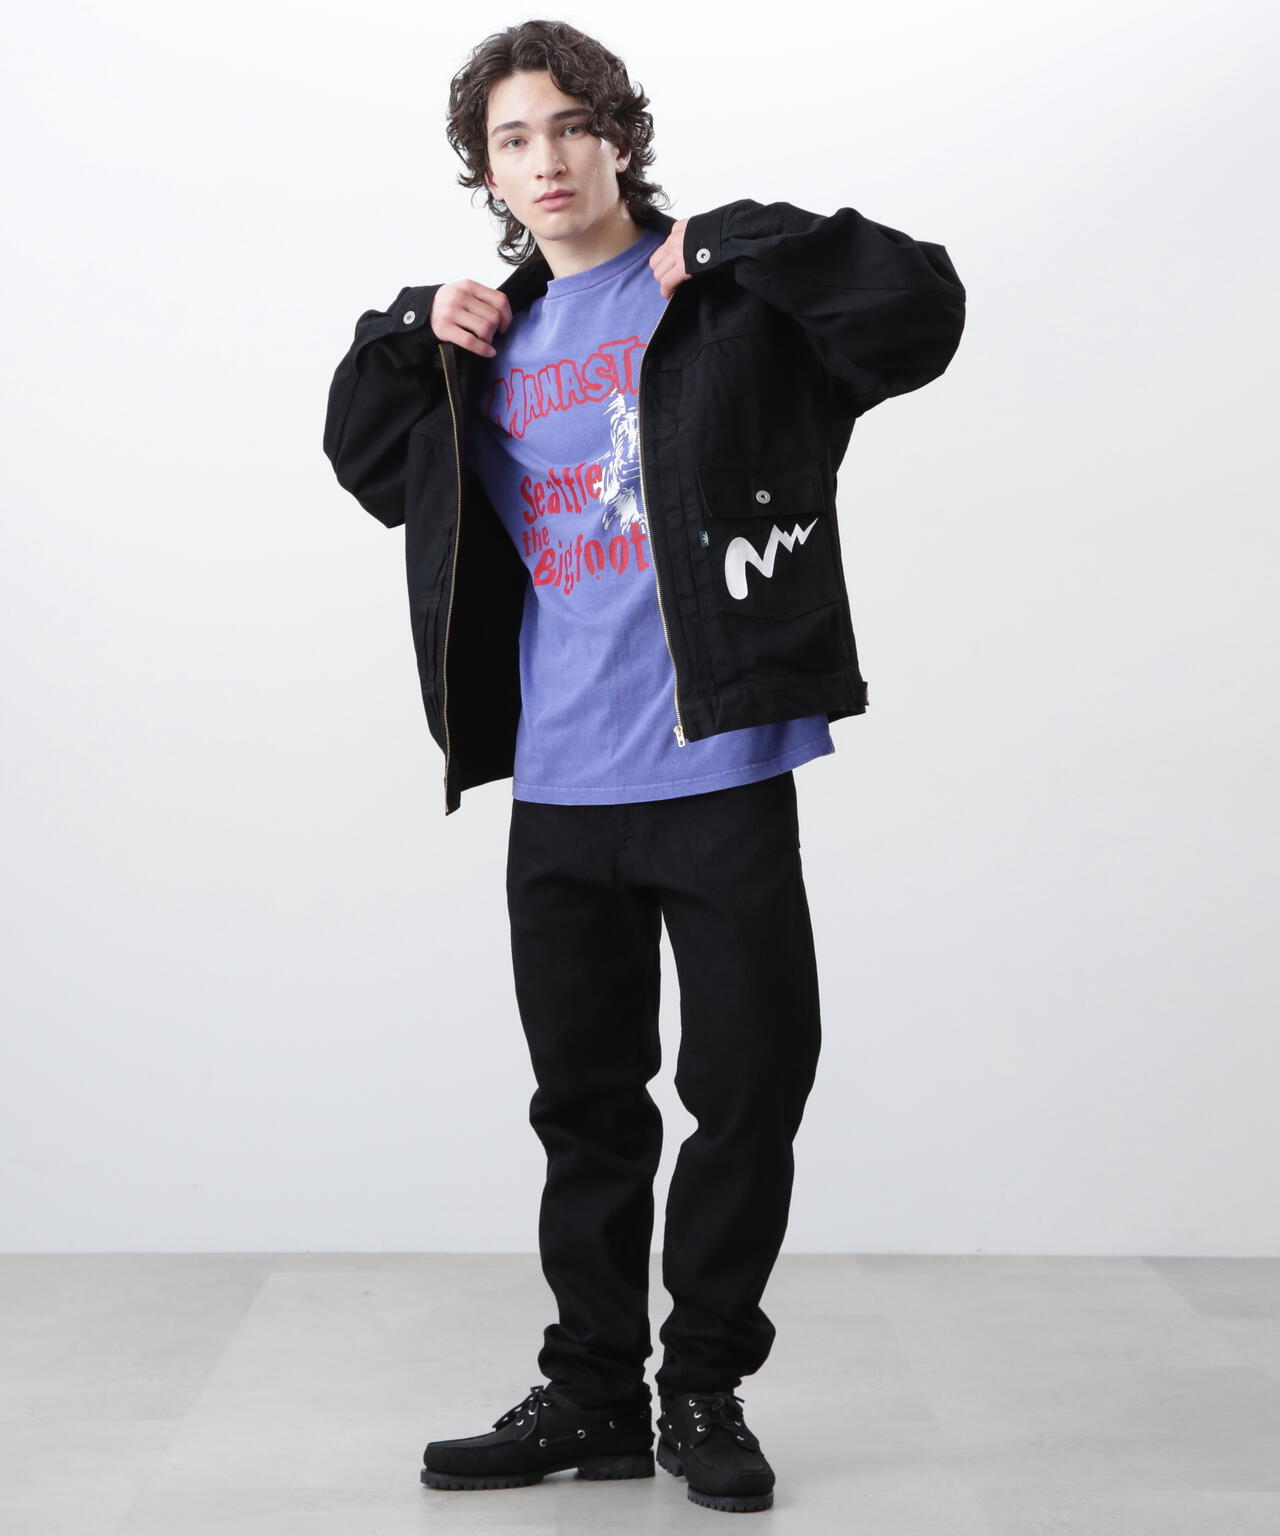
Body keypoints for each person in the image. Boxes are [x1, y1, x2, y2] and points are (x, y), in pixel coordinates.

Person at [322, 18, 965, 1516]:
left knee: (747, 1090)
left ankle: (705, 1387)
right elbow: (362, 462)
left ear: (620, 135)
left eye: (570, 127)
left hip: (717, 767)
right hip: (558, 788)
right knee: (587, 1111)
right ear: (487, 173)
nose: (546, 160)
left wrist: (738, 245)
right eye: (513, 141)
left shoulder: (730, 300)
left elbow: (918, 310)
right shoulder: (485, 340)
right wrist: (409, 326)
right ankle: (594, 1394)